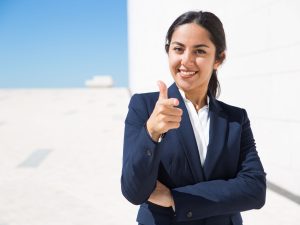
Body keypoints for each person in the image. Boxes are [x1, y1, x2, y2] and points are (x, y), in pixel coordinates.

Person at [121, 11, 266, 225]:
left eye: (199, 51)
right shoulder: (144, 107)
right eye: (178, 49)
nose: (186, 61)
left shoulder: (236, 119)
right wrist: (151, 133)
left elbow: (255, 189)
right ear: (168, 51)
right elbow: (134, 191)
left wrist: (175, 198)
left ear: (219, 59)